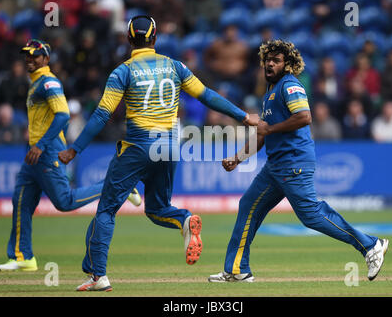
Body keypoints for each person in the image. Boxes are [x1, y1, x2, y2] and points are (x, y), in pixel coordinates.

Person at [58, 16, 259, 291]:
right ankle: (185, 219)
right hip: (169, 146)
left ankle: (98, 276)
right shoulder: (174, 66)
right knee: (156, 209)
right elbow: (207, 95)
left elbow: (102, 115)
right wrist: (243, 116)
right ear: (154, 39)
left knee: (106, 210)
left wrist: (75, 148)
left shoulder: (123, 71)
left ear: (129, 40)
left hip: (138, 146)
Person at [208, 39, 389, 283]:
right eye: (268, 60)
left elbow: (304, 117)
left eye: (277, 60)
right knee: (248, 205)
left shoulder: (289, 85)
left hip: (293, 161)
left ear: (288, 65)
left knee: (311, 215)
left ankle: (370, 245)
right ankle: (237, 269)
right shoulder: (270, 92)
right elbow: (262, 132)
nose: (270, 64)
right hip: (276, 165)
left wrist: (270, 130)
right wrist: (237, 158)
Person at [0, 39, 141, 272]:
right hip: (33, 153)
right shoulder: (34, 84)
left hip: (46, 151)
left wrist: (41, 145)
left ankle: (116, 186)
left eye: (34, 55)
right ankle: (23, 256)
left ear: (46, 59)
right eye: (27, 55)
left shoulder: (48, 83)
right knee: (21, 201)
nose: (29, 59)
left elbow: (63, 116)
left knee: (65, 202)